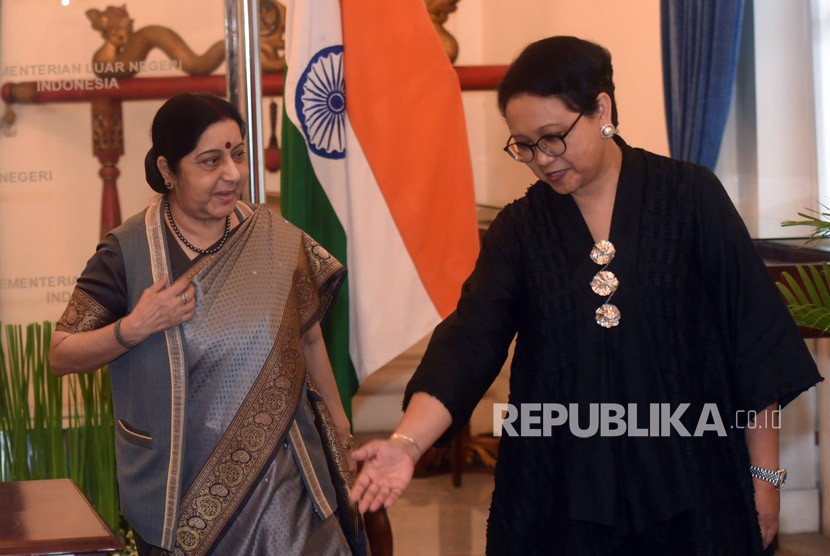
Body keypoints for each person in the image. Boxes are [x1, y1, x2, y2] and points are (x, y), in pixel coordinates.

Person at [350, 36, 823, 555]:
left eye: (553, 137)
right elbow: (469, 342)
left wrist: (765, 476)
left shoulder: (690, 199)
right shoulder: (521, 229)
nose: (541, 160)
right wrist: (406, 444)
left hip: (694, 486)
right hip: (558, 495)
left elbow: (753, 343)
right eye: (524, 145)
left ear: (602, 108)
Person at [50, 92, 365, 556]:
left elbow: (310, 336)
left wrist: (339, 429)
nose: (233, 174)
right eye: (210, 161)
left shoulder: (275, 237)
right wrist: (134, 327)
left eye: (237, 154)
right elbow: (61, 355)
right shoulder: (130, 253)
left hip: (286, 482)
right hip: (180, 491)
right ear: (167, 171)